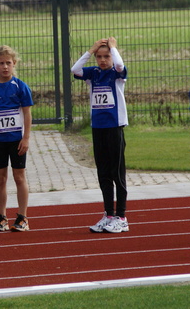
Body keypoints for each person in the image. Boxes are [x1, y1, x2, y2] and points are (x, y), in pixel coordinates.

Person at [71, 37, 129, 234]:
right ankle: (109, 214)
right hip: (98, 127)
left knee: (117, 173)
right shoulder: (93, 74)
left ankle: (121, 216)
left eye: (106, 56)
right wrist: (91, 49)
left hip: (115, 127)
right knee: (103, 173)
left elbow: (120, 65)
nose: (103, 60)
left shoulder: (117, 74)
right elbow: (75, 70)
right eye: (99, 57)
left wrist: (113, 47)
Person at [0, 45, 33, 232]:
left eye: (8, 63)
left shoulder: (20, 86)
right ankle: (1, 216)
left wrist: (26, 138)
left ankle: (22, 216)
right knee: (0, 178)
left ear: (14, 64)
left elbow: (27, 113)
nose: (5, 67)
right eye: (1, 63)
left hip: (16, 140)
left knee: (19, 176)